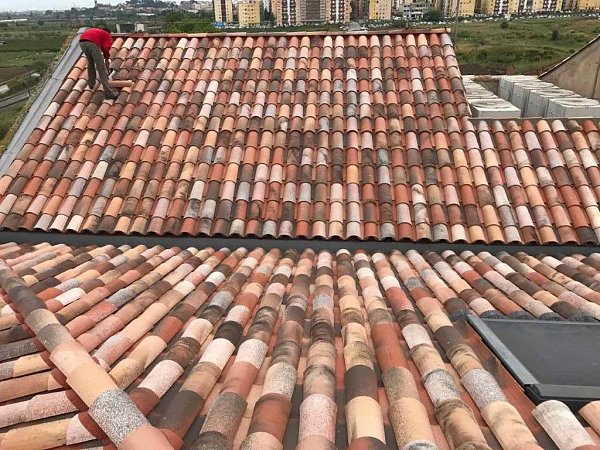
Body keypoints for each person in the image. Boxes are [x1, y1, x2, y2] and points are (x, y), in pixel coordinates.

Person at [79, 27, 118, 99]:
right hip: (92, 43)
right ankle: (108, 93)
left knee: (91, 63)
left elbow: (102, 47)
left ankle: (91, 84)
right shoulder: (106, 34)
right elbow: (106, 47)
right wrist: (107, 58)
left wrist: (105, 56)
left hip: (82, 42)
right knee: (101, 68)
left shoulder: (98, 32)